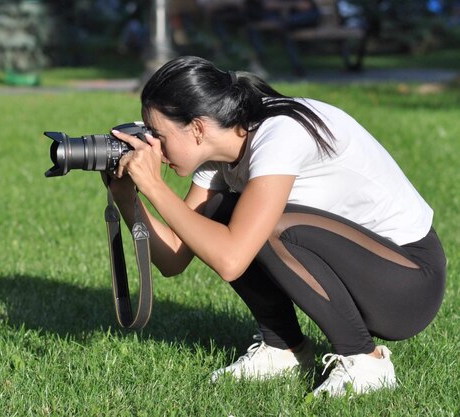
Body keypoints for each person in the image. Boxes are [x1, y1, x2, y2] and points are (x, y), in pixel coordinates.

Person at [106, 55, 446, 397]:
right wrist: (126, 195)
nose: (155, 148)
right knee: (224, 213)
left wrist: (154, 186)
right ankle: (284, 350)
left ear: (197, 128)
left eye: (159, 135)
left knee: (265, 227)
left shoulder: (280, 133)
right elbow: (174, 257)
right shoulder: (220, 153)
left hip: (407, 283)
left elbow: (231, 259)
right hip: (368, 274)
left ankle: (367, 361)